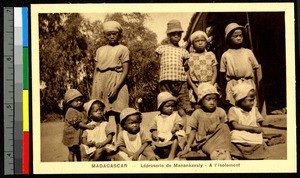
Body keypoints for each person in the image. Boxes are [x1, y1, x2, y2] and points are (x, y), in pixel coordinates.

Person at [178, 83, 232, 160]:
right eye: (208, 99)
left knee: (224, 126)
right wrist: (187, 147)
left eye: (214, 99)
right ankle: (216, 155)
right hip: (204, 141)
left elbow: (225, 130)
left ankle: (224, 155)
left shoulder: (220, 111)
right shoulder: (198, 113)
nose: (212, 102)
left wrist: (217, 124)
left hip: (219, 139)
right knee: (215, 152)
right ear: (201, 100)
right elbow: (193, 131)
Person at [155, 19, 193, 116]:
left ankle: (182, 130)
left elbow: (186, 66)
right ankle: (166, 128)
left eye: (179, 34)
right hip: (166, 81)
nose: (176, 36)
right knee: (166, 106)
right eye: (173, 34)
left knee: (183, 108)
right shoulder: (162, 48)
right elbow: (160, 64)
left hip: (181, 81)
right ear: (168, 35)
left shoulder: (183, 51)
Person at [91, 20, 129, 113]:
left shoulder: (123, 49)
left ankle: (120, 128)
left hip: (117, 81)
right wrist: (95, 89)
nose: (112, 36)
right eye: (109, 34)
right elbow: (96, 71)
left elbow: (125, 70)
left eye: (114, 34)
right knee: (100, 112)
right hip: (101, 82)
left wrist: (116, 88)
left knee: (120, 112)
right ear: (105, 35)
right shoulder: (100, 50)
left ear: (119, 34)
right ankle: (103, 128)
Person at [220, 22, 260, 106]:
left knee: (249, 106)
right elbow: (222, 73)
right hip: (233, 84)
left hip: (247, 83)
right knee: (236, 107)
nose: (238, 38)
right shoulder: (226, 55)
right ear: (229, 38)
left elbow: (255, 69)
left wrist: (254, 84)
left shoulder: (248, 52)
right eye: (235, 36)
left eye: (240, 36)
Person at [228, 82, 270, 159]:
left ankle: (256, 155)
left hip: (253, 133)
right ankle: (237, 153)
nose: (252, 103)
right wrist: (252, 128)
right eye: (250, 100)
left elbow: (258, 124)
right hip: (240, 132)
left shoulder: (254, 110)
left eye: (253, 100)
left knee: (258, 138)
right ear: (240, 99)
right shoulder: (233, 110)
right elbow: (235, 125)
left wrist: (258, 129)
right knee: (234, 135)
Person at [149, 91, 186, 160]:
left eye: (172, 106)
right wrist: (154, 133)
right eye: (167, 106)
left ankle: (171, 154)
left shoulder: (174, 115)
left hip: (171, 137)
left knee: (178, 135)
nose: (170, 108)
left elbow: (180, 122)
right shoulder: (157, 117)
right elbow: (153, 128)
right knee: (150, 140)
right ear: (160, 106)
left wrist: (176, 127)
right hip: (161, 138)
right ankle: (155, 154)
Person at [62, 89, 95, 161]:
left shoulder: (81, 110)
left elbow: (86, 118)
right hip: (71, 136)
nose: (79, 102)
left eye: (80, 100)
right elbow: (77, 123)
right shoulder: (70, 111)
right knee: (72, 152)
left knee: (78, 151)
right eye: (77, 101)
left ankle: (79, 164)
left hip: (78, 135)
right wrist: (87, 127)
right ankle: (72, 165)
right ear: (70, 102)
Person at [187, 31, 218, 107]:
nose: (200, 43)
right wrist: (194, 88)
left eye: (202, 40)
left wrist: (211, 84)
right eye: (197, 41)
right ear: (193, 44)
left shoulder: (210, 55)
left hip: (210, 83)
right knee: (198, 107)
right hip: (197, 85)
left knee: (211, 106)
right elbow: (187, 74)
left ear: (206, 42)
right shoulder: (189, 57)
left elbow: (215, 71)